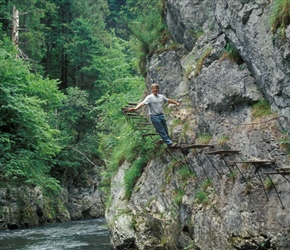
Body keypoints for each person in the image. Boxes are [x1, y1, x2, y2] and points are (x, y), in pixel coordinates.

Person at [129, 83, 180, 147]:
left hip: (161, 115)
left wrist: (176, 103)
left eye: (156, 88)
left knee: (165, 129)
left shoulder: (161, 96)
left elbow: (168, 100)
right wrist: (135, 108)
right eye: (153, 88)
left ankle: (167, 141)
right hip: (154, 117)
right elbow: (142, 103)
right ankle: (169, 143)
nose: (154, 89)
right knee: (161, 130)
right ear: (151, 90)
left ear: (158, 89)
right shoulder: (149, 97)